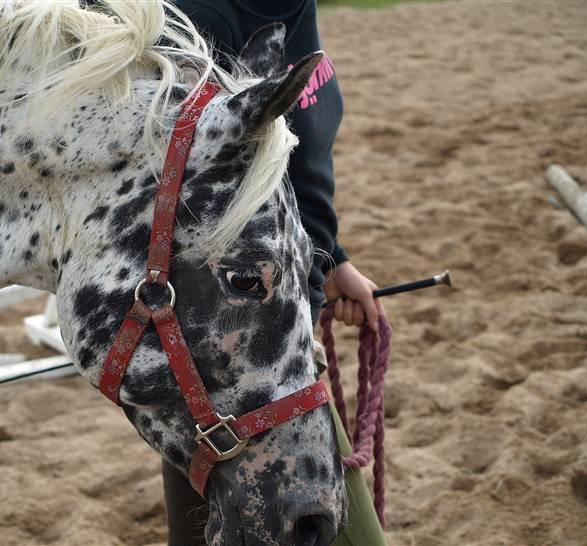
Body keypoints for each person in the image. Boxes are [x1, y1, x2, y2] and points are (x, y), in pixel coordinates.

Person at [164, 1, 388, 544]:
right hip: (242, 336)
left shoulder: (293, 6)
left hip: (286, 302)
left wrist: (331, 259)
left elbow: (292, 166)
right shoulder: (194, 16)